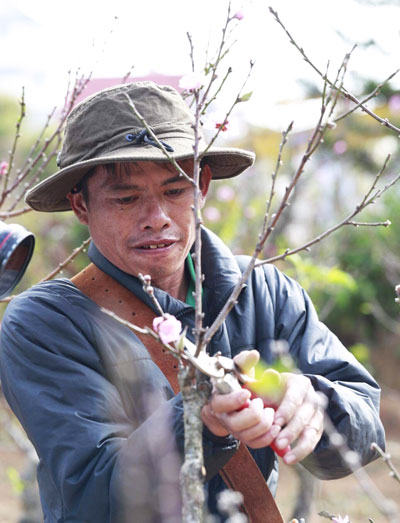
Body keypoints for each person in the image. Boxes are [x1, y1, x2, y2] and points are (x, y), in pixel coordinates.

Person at [0, 81, 385, 522]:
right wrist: (201, 420)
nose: (157, 218)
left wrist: (314, 403)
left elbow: (365, 430)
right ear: (81, 205)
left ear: (202, 186)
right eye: (126, 198)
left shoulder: (262, 290)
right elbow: (95, 498)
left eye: (175, 190)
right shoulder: (46, 322)